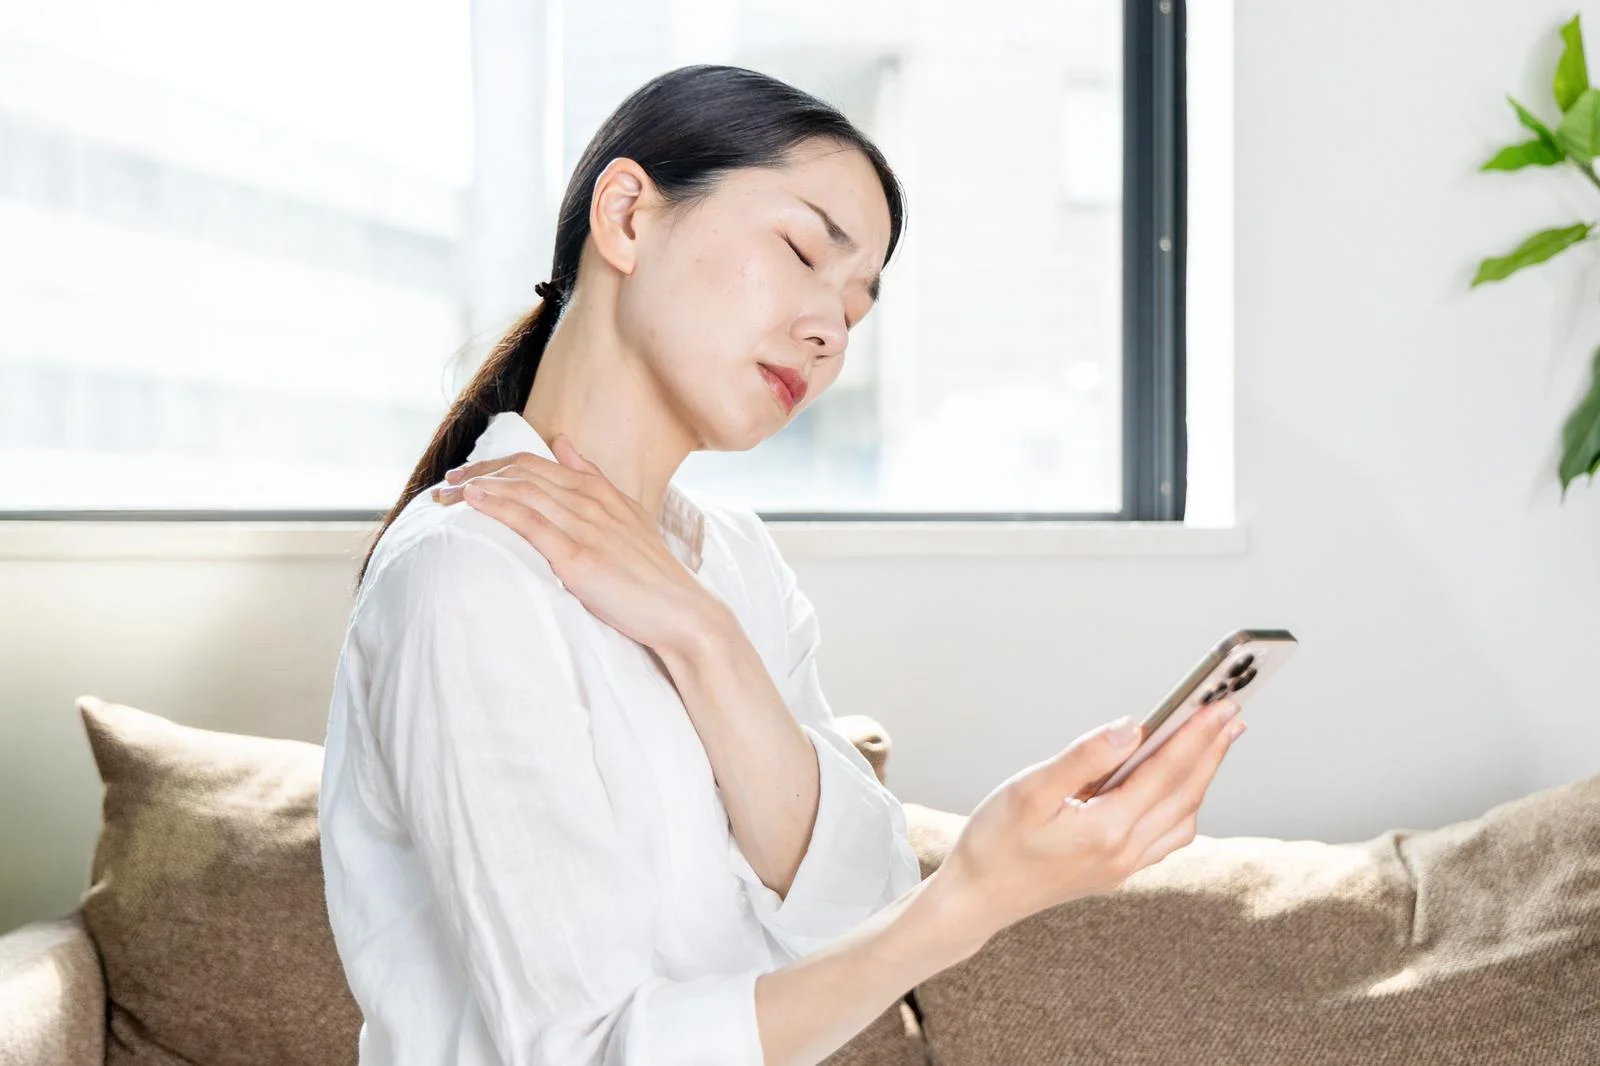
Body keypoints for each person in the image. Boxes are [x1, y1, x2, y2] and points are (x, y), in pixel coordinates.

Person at [317, 63, 1246, 1066]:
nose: (829, 331)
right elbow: (579, 1051)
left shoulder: (733, 569)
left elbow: (855, 903)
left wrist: (702, 635)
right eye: (803, 251)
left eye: (856, 308)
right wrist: (971, 898)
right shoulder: (467, 576)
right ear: (626, 216)